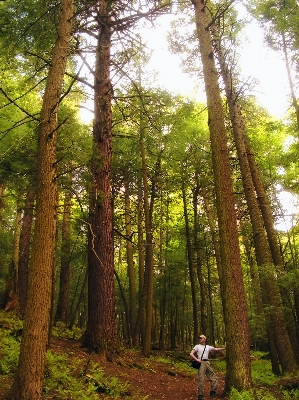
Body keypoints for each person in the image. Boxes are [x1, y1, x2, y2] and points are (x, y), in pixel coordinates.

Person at [190, 334, 225, 399]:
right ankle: (200, 395)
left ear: (204, 339)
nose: (200, 339)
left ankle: (213, 392)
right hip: (201, 363)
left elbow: (216, 349)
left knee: (214, 377)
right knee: (201, 379)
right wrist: (196, 359)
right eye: (199, 338)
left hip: (207, 362)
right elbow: (191, 354)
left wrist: (224, 348)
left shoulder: (208, 347)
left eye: (201, 338)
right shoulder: (197, 346)